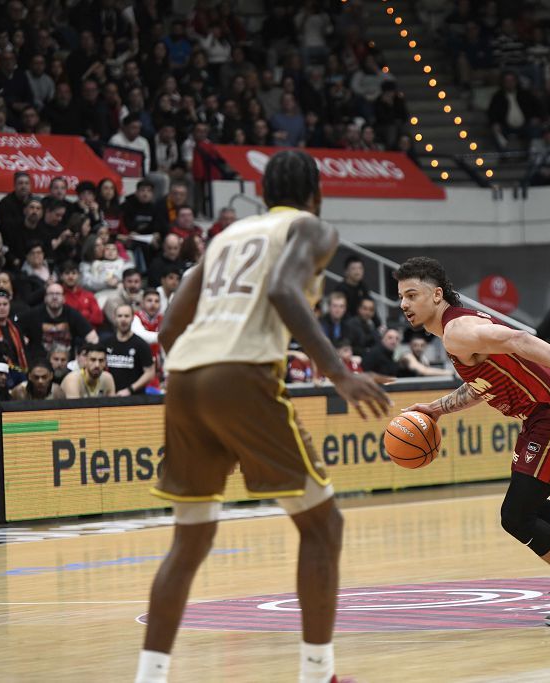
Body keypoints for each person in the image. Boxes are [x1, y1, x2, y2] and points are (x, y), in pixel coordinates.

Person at [135, 150, 392, 683]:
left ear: (263, 190)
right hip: (242, 375)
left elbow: (167, 329)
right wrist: (338, 373)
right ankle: (318, 674)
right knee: (323, 526)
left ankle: (149, 676)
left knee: (191, 539)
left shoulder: (228, 235)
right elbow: (280, 289)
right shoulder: (312, 226)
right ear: (315, 195)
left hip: (183, 378)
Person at [396, 256, 550, 628]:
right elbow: (485, 383)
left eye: (412, 295)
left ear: (436, 295)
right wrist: (437, 408)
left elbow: (519, 338)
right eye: (401, 297)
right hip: (543, 415)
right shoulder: (457, 332)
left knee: (516, 516)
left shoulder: (458, 330)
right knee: (528, 507)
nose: (404, 305)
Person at [21, 283, 99, 359]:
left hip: (66, 362)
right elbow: (14, 327)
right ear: (45, 298)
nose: (54, 297)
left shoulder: (72, 314)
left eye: (58, 294)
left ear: (64, 298)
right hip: (40, 363)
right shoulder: (33, 314)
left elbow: (93, 337)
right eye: (51, 294)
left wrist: (85, 356)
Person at [104, 304, 155, 395]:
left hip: (135, 398)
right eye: (120, 316)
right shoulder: (106, 343)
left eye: (126, 316)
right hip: (110, 397)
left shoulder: (141, 344)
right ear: (114, 318)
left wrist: (130, 390)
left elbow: (150, 373)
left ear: (132, 318)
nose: (123, 319)